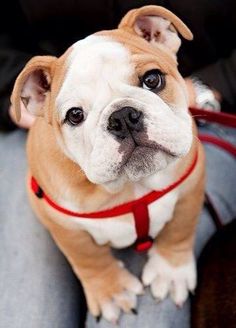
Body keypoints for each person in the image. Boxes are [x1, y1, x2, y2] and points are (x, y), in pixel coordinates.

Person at [0, 1, 235, 327]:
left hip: (203, 112)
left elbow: (191, 184)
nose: (125, 123)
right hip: (27, 131)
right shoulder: (44, 105)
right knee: (30, 316)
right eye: (77, 114)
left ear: (161, 35)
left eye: (150, 80)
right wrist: (97, 272)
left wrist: (176, 249)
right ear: (39, 96)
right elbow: (55, 215)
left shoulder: (148, 45)